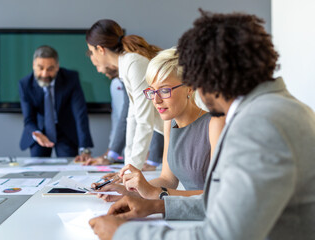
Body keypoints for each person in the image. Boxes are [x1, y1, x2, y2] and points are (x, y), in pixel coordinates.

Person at [89, 10, 315, 240]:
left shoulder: (260, 124)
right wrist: (157, 206)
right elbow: (222, 201)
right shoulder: (278, 108)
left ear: (210, 75)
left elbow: (223, 235)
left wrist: (124, 233)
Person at [95, 48, 224, 202]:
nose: (155, 100)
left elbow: (216, 196)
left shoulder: (215, 124)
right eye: (152, 91)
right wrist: (124, 192)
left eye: (164, 90)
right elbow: (167, 181)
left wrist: (153, 193)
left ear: (189, 86)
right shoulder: (170, 122)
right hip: (188, 213)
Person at [85, 19, 164, 170]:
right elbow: (132, 117)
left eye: (92, 51)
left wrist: (132, 170)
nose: (93, 57)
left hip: (185, 128)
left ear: (100, 49)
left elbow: (144, 122)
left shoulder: (134, 63)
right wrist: (127, 167)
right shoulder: (127, 64)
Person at [19, 45, 93, 158]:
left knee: (69, 168)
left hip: (65, 131)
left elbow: (80, 114)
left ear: (57, 67)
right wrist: (37, 134)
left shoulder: (71, 79)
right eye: (40, 68)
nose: (45, 74)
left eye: (50, 69)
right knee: (37, 168)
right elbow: (29, 119)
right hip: (39, 131)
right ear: (33, 65)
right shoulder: (25, 84)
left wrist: (84, 149)